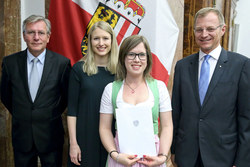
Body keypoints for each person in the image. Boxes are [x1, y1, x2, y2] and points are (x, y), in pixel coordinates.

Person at [171, 7, 250, 167]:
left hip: (224, 157)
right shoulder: (182, 66)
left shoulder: (241, 65)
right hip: (187, 156)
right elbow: (176, 113)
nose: (204, 34)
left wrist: (242, 161)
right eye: (199, 29)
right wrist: (173, 150)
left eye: (210, 29)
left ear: (223, 30)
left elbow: (246, 118)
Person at [0, 15, 71, 167]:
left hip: (51, 135)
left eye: (41, 33)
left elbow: (65, 97)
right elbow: (6, 95)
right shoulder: (10, 63)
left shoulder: (62, 64)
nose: (36, 37)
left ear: (48, 37)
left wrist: (48, 113)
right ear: (24, 36)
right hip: (22, 136)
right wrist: (23, 113)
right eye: (31, 32)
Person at [99, 35, 173, 167]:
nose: (137, 59)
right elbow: (104, 128)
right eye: (131, 54)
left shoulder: (159, 88)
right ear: (123, 58)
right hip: (120, 159)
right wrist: (115, 155)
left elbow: (167, 126)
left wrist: (162, 157)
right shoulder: (111, 90)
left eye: (141, 55)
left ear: (148, 58)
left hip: (152, 158)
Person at [67, 21, 118, 167]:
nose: (101, 43)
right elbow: (72, 111)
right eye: (96, 38)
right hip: (85, 138)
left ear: (112, 41)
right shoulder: (79, 70)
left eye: (105, 38)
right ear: (90, 42)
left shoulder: (121, 71)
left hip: (113, 139)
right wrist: (73, 143)